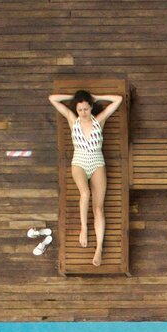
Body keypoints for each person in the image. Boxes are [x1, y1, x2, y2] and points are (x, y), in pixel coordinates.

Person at [48, 88, 123, 266]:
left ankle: (99, 248)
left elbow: (118, 100)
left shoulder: (99, 120)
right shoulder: (72, 119)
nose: (83, 112)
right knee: (85, 194)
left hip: (97, 163)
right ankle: (84, 229)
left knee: (98, 209)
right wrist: (74, 98)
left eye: (86, 109)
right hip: (79, 163)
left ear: (91, 108)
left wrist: (97, 96)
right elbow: (52, 99)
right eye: (80, 109)